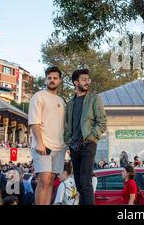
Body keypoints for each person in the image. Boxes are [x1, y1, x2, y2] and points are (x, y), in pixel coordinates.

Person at [65, 68, 107, 205]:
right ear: (75, 82)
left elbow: (102, 122)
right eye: (84, 79)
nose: (87, 82)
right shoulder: (70, 103)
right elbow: (68, 124)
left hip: (88, 144)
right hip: (74, 146)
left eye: (88, 79)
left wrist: (90, 138)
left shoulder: (94, 99)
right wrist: (68, 141)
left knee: (85, 182)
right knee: (78, 183)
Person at [28, 66, 67, 205]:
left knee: (51, 181)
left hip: (59, 147)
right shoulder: (38, 96)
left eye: (55, 78)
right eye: (49, 78)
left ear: (60, 81)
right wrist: (39, 142)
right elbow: (34, 122)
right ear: (45, 79)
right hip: (43, 145)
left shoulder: (61, 101)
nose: (52, 80)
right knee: (43, 179)